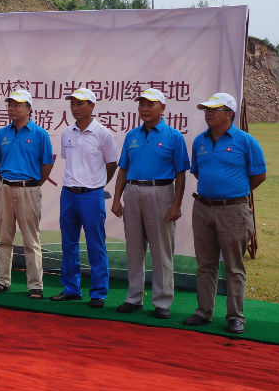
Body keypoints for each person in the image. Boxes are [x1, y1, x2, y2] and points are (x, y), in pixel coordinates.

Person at [183, 93, 266, 335]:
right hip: (203, 208)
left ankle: (235, 316)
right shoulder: (199, 141)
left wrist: (234, 193)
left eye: (214, 109)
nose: (208, 113)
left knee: (233, 266)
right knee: (205, 264)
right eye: (206, 109)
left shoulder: (246, 141)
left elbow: (259, 176)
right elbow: (199, 173)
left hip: (234, 211)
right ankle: (203, 311)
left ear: (229, 114)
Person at [111, 88, 189, 319]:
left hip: (161, 191)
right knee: (134, 248)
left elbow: (181, 174)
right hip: (133, 191)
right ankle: (133, 298)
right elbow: (123, 169)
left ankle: (162, 301)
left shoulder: (174, 136)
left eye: (150, 104)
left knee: (161, 249)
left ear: (162, 108)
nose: (144, 109)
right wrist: (117, 199)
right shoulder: (132, 135)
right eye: (142, 104)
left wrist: (176, 205)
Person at [50, 88, 118, 308]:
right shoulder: (67, 133)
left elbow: (111, 164)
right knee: (69, 244)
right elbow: (70, 161)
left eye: (81, 103)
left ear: (92, 106)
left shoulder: (103, 134)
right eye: (73, 104)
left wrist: (97, 184)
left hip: (91, 195)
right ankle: (71, 288)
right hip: (68, 194)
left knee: (95, 244)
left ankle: (98, 292)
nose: (75, 108)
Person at [0, 88, 53, 299]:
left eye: (17, 105)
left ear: (29, 109)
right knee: (4, 237)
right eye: (10, 104)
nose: (12, 108)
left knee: (30, 240)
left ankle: (35, 285)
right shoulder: (2, 133)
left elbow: (46, 165)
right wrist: (9, 180)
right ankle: (2, 280)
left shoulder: (40, 134)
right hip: (4, 188)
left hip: (29, 189)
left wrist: (32, 184)